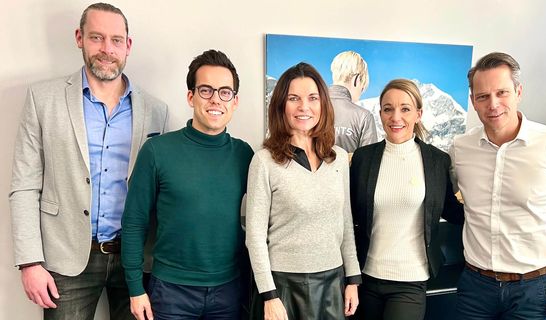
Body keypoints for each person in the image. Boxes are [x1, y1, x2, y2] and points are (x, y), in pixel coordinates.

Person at [8, 3, 168, 319]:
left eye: (116, 40)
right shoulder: (43, 99)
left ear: (128, 46)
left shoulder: (156, 111)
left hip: (135, 259)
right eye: (97, 38)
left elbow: (160, 191)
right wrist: (30, 262)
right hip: (66, 259)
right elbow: (24, 186)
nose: (107, 49)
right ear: (80, 38)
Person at [449, 52, 546, 320]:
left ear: (518, 92)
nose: (493, 104)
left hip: (533, 288)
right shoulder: (460, 148)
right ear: (473, 102)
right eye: (483, 96)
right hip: (474, 285)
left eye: (502, 92)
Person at [121, 49, 253, 320]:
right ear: (190, 96)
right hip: (170, 292)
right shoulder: (157, 151)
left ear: (235, 101)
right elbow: (134, 222)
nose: (216, 99)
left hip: (229, 291)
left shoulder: (245, 155)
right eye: (206, 90)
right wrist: (135, 289)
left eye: (225, 92)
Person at [246, 62, 361, 320]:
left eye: (312, 98)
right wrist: (269, 296)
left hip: (333, 281)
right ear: (280, 106)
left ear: (323, 104)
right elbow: (254, 236)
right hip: (283, 287)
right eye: (293, 98)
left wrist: (352, 279)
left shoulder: (339, 159)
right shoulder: (264, 161)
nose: (304, 107)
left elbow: (344, 221)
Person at [350, 79, 464, 320]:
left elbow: (451, 211)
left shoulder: (437, 161)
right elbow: (347, 216)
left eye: (405, 108)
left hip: (410, 280)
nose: (395, 117)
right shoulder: (362, 158)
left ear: (418, 114)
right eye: (388, 108)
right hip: (365, 277)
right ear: (380, 113)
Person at [330, 51, 378, 153]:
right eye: (362, 88)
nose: (360, 95)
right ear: (356, 79)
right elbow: (369, 163)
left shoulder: (311, 109)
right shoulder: (364, 117)